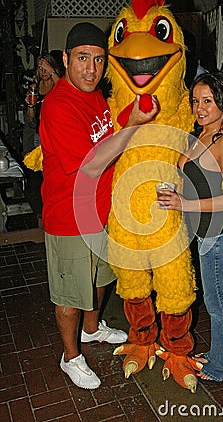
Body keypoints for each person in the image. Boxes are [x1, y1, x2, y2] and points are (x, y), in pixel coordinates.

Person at [39, 22, 159, 390]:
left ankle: (91, 331)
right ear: (65, 59)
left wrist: (131, 117)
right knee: (71, 297)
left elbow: (106, 133)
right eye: (81, 58)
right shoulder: (58, 105)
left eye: (98, 60)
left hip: (100, 211)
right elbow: (91, 162)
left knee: (99, 280)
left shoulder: (93, 95)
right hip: (69, 217)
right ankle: (70, 356)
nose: (90, 68)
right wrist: (134, 126)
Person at [157, 72, 223, 383]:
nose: (200, 107)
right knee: (215, 300)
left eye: (207, 100)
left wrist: (184, 204)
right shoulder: (200, 135)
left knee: (218, 302)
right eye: (196, 101)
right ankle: (220, 354)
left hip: (219, 235)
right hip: (203, 233)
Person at [23, 53, 63, 220]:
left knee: (55, 175)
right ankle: (45, 211)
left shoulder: (58, 85)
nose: (43, 71)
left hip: (56, 135)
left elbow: (66, 90)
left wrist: (52, 73)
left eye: (46, 67)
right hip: (39, 136)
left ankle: (56, 209)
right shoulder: (35, 87)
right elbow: (31, 119)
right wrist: (30, 106)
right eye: (40, 68)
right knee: (41, 177)